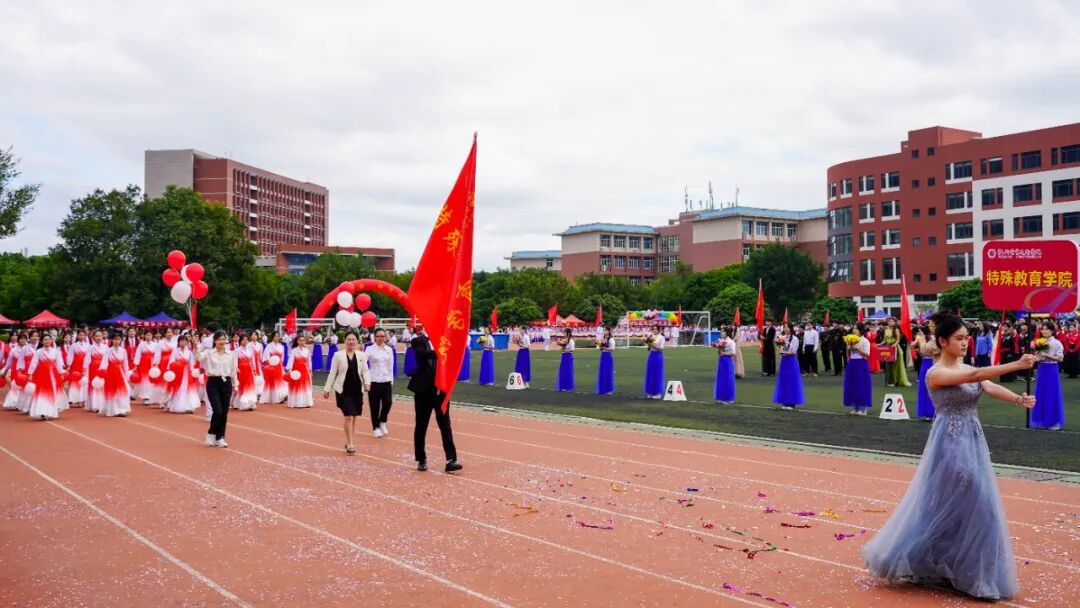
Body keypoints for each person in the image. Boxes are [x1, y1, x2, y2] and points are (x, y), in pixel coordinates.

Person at [862, 314, 1037, 600]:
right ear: (943, 342)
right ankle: (958, 570)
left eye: (967, 338)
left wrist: (1018, 399)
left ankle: (965, 571)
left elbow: (987, 385)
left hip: (973, 439)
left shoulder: (967, 367)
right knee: (976, 501)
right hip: (949, 442)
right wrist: (1016, 365)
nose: (965, 343)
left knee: (966, 506)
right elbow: (975, 377)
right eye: (959, 338)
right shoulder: (935, 373)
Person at [407, 327, 462, 473]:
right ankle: (421, 459)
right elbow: (421, 354)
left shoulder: (445, 342)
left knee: (445, 426)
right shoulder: (418, 340)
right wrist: (441, 352)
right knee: (421, 425)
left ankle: (451, 460)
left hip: (441, 392)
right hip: (423, 391)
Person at [323, 332, 371, 454]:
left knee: (354, 416)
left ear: (357, 341)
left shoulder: (361, 355)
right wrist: (327, 388)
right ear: (345, 341)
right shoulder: (338, 355)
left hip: (357, 389)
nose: (351, 342)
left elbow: (365, 371)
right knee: (348, 415)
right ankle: (350, 443)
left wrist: (367, 383)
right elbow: (333, 372)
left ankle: (350, 440)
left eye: (353, 339)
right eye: (349, 339)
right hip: (343, 389)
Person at [199, 331, 236, 447]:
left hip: (226, 383)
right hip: (213, 383)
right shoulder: (209, 353)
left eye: (223, 339)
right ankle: (211, 432)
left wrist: (235, 384)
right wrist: (195, 346)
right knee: (218, 410)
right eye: (219, 339)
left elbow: (233, 370)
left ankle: (220, 438)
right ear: (215, 341)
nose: (221, 341)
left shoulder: (230, 354)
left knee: (224, 412)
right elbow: (198, 357)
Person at [1031, 321, 1065, 430]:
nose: (1044, 331)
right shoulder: (1040, 342)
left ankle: (1054, 422)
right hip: (1042, 369)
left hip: (1052, 369)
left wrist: (1046, 355)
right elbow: (1038, 357)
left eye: (1047, 329)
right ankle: (1041, 420)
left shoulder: (1057, 343)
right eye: (1043, 329)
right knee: (1041, 394)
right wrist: (1035, 358)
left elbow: (1060, 358)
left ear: (1052, 330)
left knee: (1051, 393)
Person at [27, 334, 67, 420]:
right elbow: (33, 363)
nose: (47, 341)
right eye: (45, 340)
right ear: (41, 341)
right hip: (42, 375)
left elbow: (59, 364)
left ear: (51, 341)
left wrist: (61, 374)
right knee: (41, 392)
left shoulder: (55, 351)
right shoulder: (38, 352)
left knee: (52, 392)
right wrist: (30, 374)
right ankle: (42, 412)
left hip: (53, 375)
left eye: (48, 339)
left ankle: (50, 411)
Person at [365, 328, 394, 438]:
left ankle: (382, 421)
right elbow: (363, 364)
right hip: (374, 381)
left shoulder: (389, 349)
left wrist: (391, 380)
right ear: (375, 337)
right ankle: (375, 427)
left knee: (388, 402)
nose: (381, 338)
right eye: (378, 336)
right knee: (374, 406)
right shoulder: (370, 349)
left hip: (386, 380)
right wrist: (366, 380)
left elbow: (391, 366)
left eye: (383, 336)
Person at [99, 331, 132, 417]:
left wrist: (127, 375)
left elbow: (125, 364)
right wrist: (102, 373)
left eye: (118, 339)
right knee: (112, 391)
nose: (116, 341)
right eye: (115, 339)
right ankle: (113, 410)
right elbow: (104, 363)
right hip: (110, 373)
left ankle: (122, 409)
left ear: (121, 340)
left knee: (122, 391)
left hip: (120, 373)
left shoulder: (123, 351)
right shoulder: (108, 351)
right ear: (112, 340)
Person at [164, 334, 199, 414]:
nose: (183, 342)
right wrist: (171, 370)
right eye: (181, 341)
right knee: (178, 388)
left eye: (185, 341)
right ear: (178, 342)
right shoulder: (175, 351)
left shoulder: (189, 352)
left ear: (187, 342)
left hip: (186, 373)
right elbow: (171, 362)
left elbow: (191, 363)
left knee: (187, 388)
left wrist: (192, 371)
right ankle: (176, 406)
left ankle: (189, 406)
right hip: (177, 373)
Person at [843, 323, 873, 415]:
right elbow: (848, 354)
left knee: (861, 385)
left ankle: (863, 408)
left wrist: (857, 349)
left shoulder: (865, 341)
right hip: (852, 363)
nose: (854, 330)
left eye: (856, 329)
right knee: (852, 385)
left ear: (861, 330)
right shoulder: (851, 339)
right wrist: (848, 347)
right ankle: (855, 407)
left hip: (861, 364)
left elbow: (867, 354)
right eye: (853, 329)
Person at [773, 323, 804, 410]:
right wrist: (780, 350)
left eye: (787, 327)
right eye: (784, 327)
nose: (785, 329)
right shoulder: (782, 337)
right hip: (784, 361)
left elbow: (793, 351)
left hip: (791, 361)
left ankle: (792, 403)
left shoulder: (795, 339)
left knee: (791, 381)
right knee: (784, 381)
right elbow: (779, 347)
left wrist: (784, 352)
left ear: (791, 328)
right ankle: (785, 402)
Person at [914, 319, 940, 420]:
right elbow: (917, 348)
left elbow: (925, 350)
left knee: (932, 388)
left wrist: (922, 340)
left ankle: (932, 411)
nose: (930, 327)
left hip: (932, 363)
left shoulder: (935, 338)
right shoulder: (927, 338)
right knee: (924, 387)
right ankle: (926, 411)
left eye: (931, 326)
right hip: (925, 362)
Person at [231, 334, 259, 411]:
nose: (245, 341)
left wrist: (254, 370)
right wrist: (236, 369)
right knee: (242, 387)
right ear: (240, 341)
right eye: (243, 340)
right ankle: (238, 403)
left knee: (250, 387)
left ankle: (250, 404)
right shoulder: (237, 350)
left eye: (246, 340)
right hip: (241, 371)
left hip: (249, 371)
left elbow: (252, 361)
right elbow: (235, 361)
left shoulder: (250, 350)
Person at [880, 318, 911, 387]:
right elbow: (884, 340)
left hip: (895, 348)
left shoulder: (896, 330)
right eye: (889, 321)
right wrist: (879, 344)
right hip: (888, 348)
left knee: (896, 365)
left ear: (894, 322)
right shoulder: (886, 330)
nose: (890, 322)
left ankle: (896, 380)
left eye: (892, 321)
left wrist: (894, 345)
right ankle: (890, 381)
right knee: (888, 365)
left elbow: (898, 340)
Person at [285, 335, 313, 408]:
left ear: (305, 341)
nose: (301, 342)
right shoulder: (294, 351)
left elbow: (309, 361)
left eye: (303, 340)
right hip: (296, 371)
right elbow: (291, 361)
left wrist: (310, 371)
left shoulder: (307, 350)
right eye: (300, 340)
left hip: (305, 371)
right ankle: (297, 403)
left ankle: (306, 402)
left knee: (305, 385)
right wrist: (290, 370)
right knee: (297, 386)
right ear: (297, 341)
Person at [260, 331, 288, 404]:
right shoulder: (269, 346)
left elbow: (282, 358)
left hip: (279, 367)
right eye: (275, 336)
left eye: (278, 336)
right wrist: (270, 362)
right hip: (271, 367)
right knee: (273, 383)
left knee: (281, 382)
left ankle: (280, 396)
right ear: (272, 337)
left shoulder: (281, 346)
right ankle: (273, 398)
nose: (277, 337)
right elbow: (265, 357)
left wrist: (282, 365)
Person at [85, 330, 109, 413]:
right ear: (93, 337)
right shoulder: (90, 348)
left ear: (102, 337)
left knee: (102, 386)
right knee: (94, 386)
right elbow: (87, 360)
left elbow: (107, 359)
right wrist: (85, 371)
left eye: (100, 336)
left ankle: (103, 405)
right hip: (93, 369)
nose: (98, 338)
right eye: (97, 336)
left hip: (103, 369)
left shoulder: (105, 347)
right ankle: (95, 405)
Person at [65, 329, 90, 407]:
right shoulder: (73, 345)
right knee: (75, 382)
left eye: (83, 335)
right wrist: (69, 365)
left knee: (84, 382)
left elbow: (89, 357)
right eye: (80, 335)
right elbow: (70, 356)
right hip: (75, 366)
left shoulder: (88, 345)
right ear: (77, 336)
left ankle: (83, 400)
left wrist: (87, 366)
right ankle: (73, 400)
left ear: (85, 336)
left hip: (85, 366)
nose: (82, 336)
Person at [713, 327, 736, 404]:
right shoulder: (720, 340)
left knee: (727, 379)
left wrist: (723, 353)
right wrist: (718, 348)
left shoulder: (731, 342)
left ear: (727, 333)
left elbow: (733, 353)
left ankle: (728, 398)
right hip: (721, 361)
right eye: (721, 331)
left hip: (728, 362)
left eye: (723, 332)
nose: (721, 333)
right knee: (721, 379)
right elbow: (719, 351)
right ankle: (720, 397)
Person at [132, 330, 156, 404]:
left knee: (152, 379)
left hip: (152, 363)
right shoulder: (141, 344)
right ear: (144, 336)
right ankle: (145, 396)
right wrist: (136, 365)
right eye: (147, 335)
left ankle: (151, 395)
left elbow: (157, 355)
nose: (149, 336)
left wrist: (157, 364)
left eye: (150, 335)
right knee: (145, 380)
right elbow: (138, 355)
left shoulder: (155, 344)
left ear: (152, 336)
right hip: (143, 363)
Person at [643, 325, 665, 399]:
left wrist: (652, 344)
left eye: (656, 329)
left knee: (657, 373)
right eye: (653, 329)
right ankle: (650, 392)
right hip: (651, 355)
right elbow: (649, 349)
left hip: (658, 356)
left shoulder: (661, 337)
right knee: (650, 373)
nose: (654, 330)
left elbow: (661, 349)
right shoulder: (651, 336)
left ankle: (658, 393)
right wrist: (648, 343)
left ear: (659, 330)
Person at [595, 327, 616, 395]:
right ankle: (602, 388)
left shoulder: (611, 339)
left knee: (607, 372)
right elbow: (601, 347)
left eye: (606, 330)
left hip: (608, 356)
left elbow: (612, 349)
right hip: (603, 356)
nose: (605, 331)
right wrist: (600, 347)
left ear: (609, 331)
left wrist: (605, 348)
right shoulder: (603, 339)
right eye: (604, 330)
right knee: (602, 372)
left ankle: (609, 389)